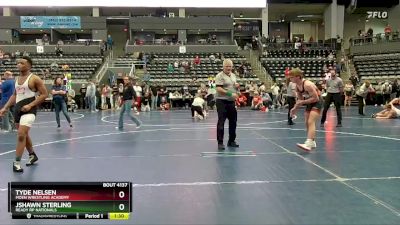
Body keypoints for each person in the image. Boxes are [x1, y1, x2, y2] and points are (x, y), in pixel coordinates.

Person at [0, 56, 48, 172]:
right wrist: (5, 107)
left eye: (22, 63)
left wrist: (31, 105)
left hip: (29, 110)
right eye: (18, 63)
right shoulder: (16, 79)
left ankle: (16, 162)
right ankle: (32, 155)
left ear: (29, 66)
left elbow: (44, 94)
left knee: (21, 134)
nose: (19, 65)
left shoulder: (34, 78)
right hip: (17, 110)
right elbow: (14, 95)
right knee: (24, 134)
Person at [289, 68, 322, 152]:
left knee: (311, 121)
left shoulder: (307, 84)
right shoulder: (297, 86)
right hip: (309, 102)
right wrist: (294, 109)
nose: (290, 78)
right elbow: (299, 100)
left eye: (292, 77)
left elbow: (316, 98)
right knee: (306, 122)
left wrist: (303, 101)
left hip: (317, 102)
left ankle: (309, 142)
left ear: (298, 77)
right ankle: (312, 142)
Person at [215, 59, 239, 150]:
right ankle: (220, 143)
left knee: (233, 122)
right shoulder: (219, 76)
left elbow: (233, 87)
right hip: (222, 101)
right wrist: (230, 94)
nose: (228, 68)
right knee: (221, 122)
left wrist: (237, 87)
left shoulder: (233, 75)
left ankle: (231, 141)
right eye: (227, 66)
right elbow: (218, 89)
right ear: (223, 67)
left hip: (231, 102)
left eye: (230, 66)